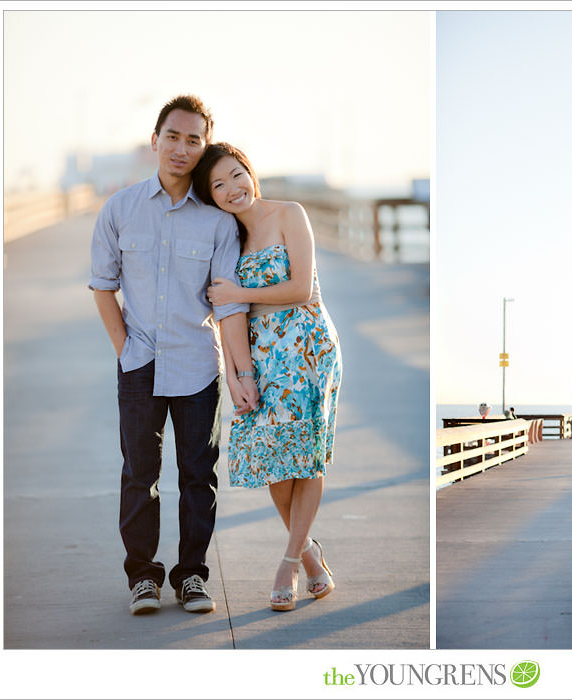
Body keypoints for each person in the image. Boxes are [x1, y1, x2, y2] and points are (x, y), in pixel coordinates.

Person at [89, 95, 259, 615]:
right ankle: (142, 576)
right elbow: (103, 287)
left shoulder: (217, 222)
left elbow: (229, 304)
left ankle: (191, 576)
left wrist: (239, 372)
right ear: (155, 139)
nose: (181, 149)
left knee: (197, 476)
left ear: (203, 147)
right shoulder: (120, 209)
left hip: (197, 367)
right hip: (139, 363)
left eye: (193, 140)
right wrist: (127, 353)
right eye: (173, 137)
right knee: (139, 473)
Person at [192, 142, 342, 612]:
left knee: (306, 456)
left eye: (237, 175)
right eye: (218, 185)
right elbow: (222, 307)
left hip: (309, 349)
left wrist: (241, 292)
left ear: (251, 173)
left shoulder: (289, 214)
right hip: (263, 356)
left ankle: (288, 564)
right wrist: (240, 370)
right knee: (276, 460)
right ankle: (311, 554)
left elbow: (301, 288)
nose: (232, 188)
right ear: (211, 197)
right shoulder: (226, 238)